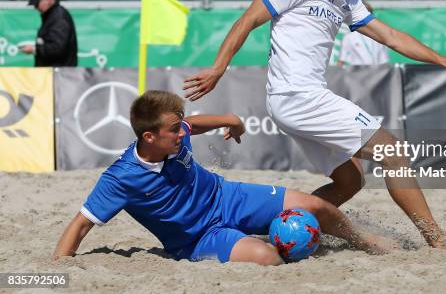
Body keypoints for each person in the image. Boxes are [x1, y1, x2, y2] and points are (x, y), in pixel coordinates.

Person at [184, 0, 446, 252]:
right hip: (298, 97)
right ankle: (436, 238)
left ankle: (278, 228)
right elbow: (247, 20)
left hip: (296, 101)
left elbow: (391, 37)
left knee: (350, 180)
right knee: (394, 153)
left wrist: (442, 60)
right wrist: (218, 68)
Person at [53, 90, 390, 264]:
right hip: (197, 239)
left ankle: (364, 241)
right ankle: (266, 242)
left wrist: (231, 119)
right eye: (174, 131)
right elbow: (81, 224)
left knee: (315, 205)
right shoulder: (120, 179)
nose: (182, 135)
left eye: (180, 126)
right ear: (149, 138)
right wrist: (60, 267)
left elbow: (193, 123)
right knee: (267, 258)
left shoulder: (174, 133)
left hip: (227, 197)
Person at [18, 0, 78, 67]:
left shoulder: (58, 17)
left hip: (59, 74)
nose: (35, 8)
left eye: (37, 4)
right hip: (53, 72)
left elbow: (57, 48)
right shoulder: (51, 16)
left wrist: (35, 49)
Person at [338, 1, 389, 65]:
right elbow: (341, 61)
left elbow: (384, 61)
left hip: (376, 73)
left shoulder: (379, 36)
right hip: (358, 73)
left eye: (369, 15)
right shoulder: (349, 37)